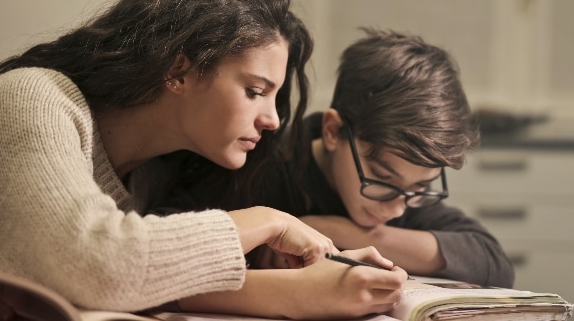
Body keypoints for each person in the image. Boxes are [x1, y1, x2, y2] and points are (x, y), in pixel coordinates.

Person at [0, 0, 406, 320]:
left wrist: (292, 283)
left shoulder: (156, 172)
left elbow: (135, 284)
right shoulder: (33, 98)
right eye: (255, 90)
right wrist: (268, 223)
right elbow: (100, 264)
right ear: (178, 70)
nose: (273, 119)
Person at [158, 28, 515, 288]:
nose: (397, 209)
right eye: (381, 179)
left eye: (421, 187)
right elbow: (159, 240)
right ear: (332, 131)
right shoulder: (256, 165)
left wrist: (339, 232)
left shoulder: (403, 196)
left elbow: (491, 261)